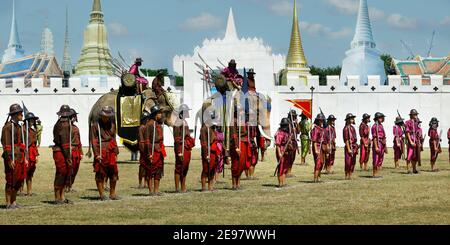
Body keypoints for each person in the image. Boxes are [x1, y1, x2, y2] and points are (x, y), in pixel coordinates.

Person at [91, 106, 120, 200]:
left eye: (108, 116)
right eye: (104, 116)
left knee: (114, 174)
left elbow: (114, 138)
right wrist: (96, 154)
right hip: (101, 151)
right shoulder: (95, 126)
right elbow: (94, 141)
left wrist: (116, 151)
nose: (106, 118)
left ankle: (112, 194)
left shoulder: (112, 124)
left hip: (111, 151)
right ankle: (102, 195)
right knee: (100, 174)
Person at [1, 104, 26, 209]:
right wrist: (9, 158)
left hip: (19, 156)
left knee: (18, 180)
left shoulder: (18, 126)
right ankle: (8, 202)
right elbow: (6, 144)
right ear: (15, 114)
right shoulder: (7, 127)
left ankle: (14, 201)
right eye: (20, 113)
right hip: (12, 156)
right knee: (11, 180)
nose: (22, 115)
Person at [52, 105, 74, 204]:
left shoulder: (60, 123)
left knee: (64, 174)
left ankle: (62, 197)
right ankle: (57, 198)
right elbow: (65, 143)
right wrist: (68, 156)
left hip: (61, 151)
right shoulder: (64, 124)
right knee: (61, 174)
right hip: (61, 151)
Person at [173, 105, 195, 193]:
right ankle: (177, 188)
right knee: (179, 166)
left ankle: (183, 186)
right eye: (186, 111)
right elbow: (177, 138)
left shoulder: (184, 121)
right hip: (180, 147)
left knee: (185, 167)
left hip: (186, 147)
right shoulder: (178, 122)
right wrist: (179, 152)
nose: (188, 112)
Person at [146, 105, 166, 196]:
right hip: (153, 149)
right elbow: (147, 140)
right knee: (151, 170)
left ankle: (156, 190)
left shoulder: (158, 124)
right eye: (159, 113)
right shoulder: (150, 124)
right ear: (155, 114)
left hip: (159, 148)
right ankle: (151, 190)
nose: (161, 115)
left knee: (158, 170)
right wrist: (149, 153)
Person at [230, 105, 249, 190]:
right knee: (236, 164)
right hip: (237, 143)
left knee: (242, 164)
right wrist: (236, 146)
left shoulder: (243, 121)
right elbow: (234, 135)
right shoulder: (233, 121)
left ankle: (238, 183)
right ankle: (234, 183)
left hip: (244, 142)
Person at [200, 111, 219, 192]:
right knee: (205, 169)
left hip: (213, 151)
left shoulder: (212, 127)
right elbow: (204, 143)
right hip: (207, 151)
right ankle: (203, 187)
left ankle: (210, 186)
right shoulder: (204, 128)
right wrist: (206, 154)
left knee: (212, 169)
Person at [23, 112, 39, 196]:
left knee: (30, 173)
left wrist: (36, 155)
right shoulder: (23, 130)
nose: (32, 121)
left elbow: (35, 144)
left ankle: (29, 191)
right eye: (30, 119)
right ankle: (20, 190)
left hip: (32, 152)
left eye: (33, 119)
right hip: (25, 152)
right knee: (23, 171)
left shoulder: (33, 131)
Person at [67, 109, 83, 192]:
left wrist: (81, 152)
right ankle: (66, 186)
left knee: (75, 169)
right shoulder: (66, 127)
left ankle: (70, 185)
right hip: (70, 150)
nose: (74, 117)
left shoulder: (76, 128)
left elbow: (79, 141)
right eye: (72, 116)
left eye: (74, 116)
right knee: (69, 169)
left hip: (76, 150)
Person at [274, 118, 292, 187]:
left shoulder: (287, 133)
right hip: (281, 150)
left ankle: (283, 182)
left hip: (286, 151)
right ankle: (280, 183)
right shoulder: (279, 133)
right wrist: (279, 153)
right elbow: (278, 145)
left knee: (285, 167)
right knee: (281, 167)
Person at [138, 111, 151, 189]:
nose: (146, 120)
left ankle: (146, 183)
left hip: (147, 148)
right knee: (142, 167)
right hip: (143, 149)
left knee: (147, 167)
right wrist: (143, 149)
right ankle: (140, 183)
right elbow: (141, 139)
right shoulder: (141, 127)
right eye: (145, 119)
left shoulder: (147, 127)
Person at [311, 113, 326, 183]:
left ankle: (319, 177)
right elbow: (314, 140)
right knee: (318, 162)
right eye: (320, 120)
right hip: (317, 146)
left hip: (322, 147)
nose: (321, 122)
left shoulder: (322, 129)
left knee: (322, 162)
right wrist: (316, 149)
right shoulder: (315, 129)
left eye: (322, 120)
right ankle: (315, 178)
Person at [343, 113, 358, 180]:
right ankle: (347, 174)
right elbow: (346, 139)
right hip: (349, 146)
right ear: (348, 120)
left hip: (354, 146)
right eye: (351, 118)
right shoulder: (346, 128)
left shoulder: (352, 128)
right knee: (348, 162)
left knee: (353, 161)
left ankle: (350, 174)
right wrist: (348, 148)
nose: (353, 120)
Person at [405, 109, 420, 174]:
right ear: (411, 115)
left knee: (416, 155)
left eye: (416, 114)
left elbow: (418, 131)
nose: (416, 116)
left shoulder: (417, 122)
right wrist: (410, 141)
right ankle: (408, 169)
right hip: (411, 139)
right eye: (415, 114)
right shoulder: (407, 122)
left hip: (416, 140)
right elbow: (407, 132)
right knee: (410, 154)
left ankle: (414, 169)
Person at [372, 113, 387, 178]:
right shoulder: (374, 126)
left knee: (381, 158)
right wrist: (376, 146)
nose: (382, 119)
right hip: (378, 143)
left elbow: (383, 136)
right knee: (376, 158)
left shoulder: (381, 126)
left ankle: (377, 173)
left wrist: (385, 146)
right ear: (377, 118)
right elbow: (374, 137)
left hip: (382, 143)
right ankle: (374, 174)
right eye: (381, 117)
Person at [286, 110, 299, 177]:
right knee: (289, 157)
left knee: (293, 158)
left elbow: (298, 132)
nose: (294, 117)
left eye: (295, 116)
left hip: (294, 142)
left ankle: (290, 171)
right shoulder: (287, 123)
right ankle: (287, 171)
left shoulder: (295, 124)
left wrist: (297, 124)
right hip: (289, 142)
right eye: (293, 116)